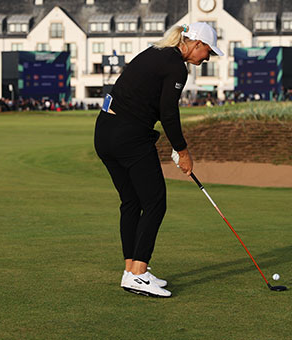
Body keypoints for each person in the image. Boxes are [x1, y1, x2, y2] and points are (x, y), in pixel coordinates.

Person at [93, 22, 223, 298]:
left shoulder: (154, 52)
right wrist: (183, 150)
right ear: (196, 44)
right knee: (155, 202)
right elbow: (168, 113)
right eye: (209, 51)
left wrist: (175, 148)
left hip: (105, 132)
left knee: (131, 201)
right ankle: (138, 274)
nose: (208, 58)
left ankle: (132, 270)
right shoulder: (176, 66)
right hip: (130, 137)